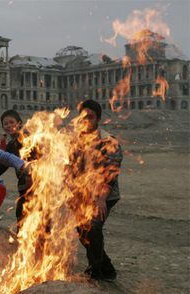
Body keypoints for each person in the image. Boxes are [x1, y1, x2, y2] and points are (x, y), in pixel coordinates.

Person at [70, 99, 123, 281]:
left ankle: (96, 271)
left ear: (98, 118)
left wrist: (100, 200)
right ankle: (107, 269)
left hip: (105, 194)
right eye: (83, 116)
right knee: (82, 231)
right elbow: (72, 167)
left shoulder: (109, 141)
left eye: (90, 116)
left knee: (93, 227)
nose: (86, 120)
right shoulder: (78, 140)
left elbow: (111, 174)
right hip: (84, 193)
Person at [0, 110, 34, 231]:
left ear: (19, 123)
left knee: (40, 218)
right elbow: (1, 166)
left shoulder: (29, 138)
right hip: (24, 187)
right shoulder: (11, 145)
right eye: (5, 124)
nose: (9, 126)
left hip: (39, 185)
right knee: (22, 215)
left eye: (11, 122)